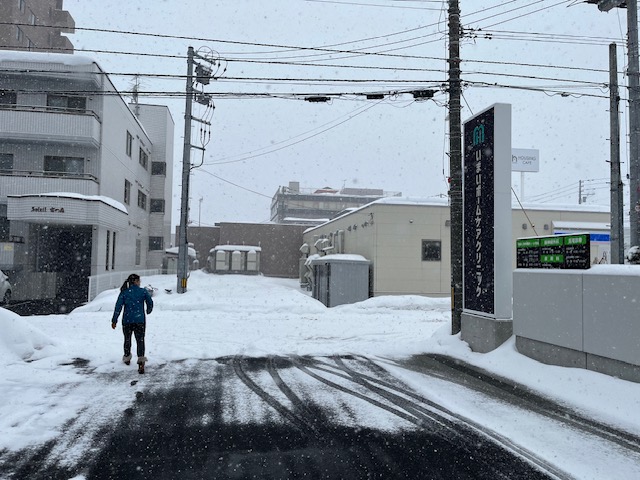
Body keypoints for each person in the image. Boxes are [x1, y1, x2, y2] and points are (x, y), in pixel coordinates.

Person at [111, 273, 153, 374]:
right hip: (140, 321)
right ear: (136, 281)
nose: (140, 283)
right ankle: (141, 361)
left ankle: (127, 358)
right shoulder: (142, 291)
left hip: (127, 321)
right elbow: (150, 302)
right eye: (139, 281)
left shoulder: (125, 292)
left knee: (127, 339)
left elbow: (118, 307)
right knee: (140, 340)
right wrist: (148, 310)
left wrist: (114, 320)